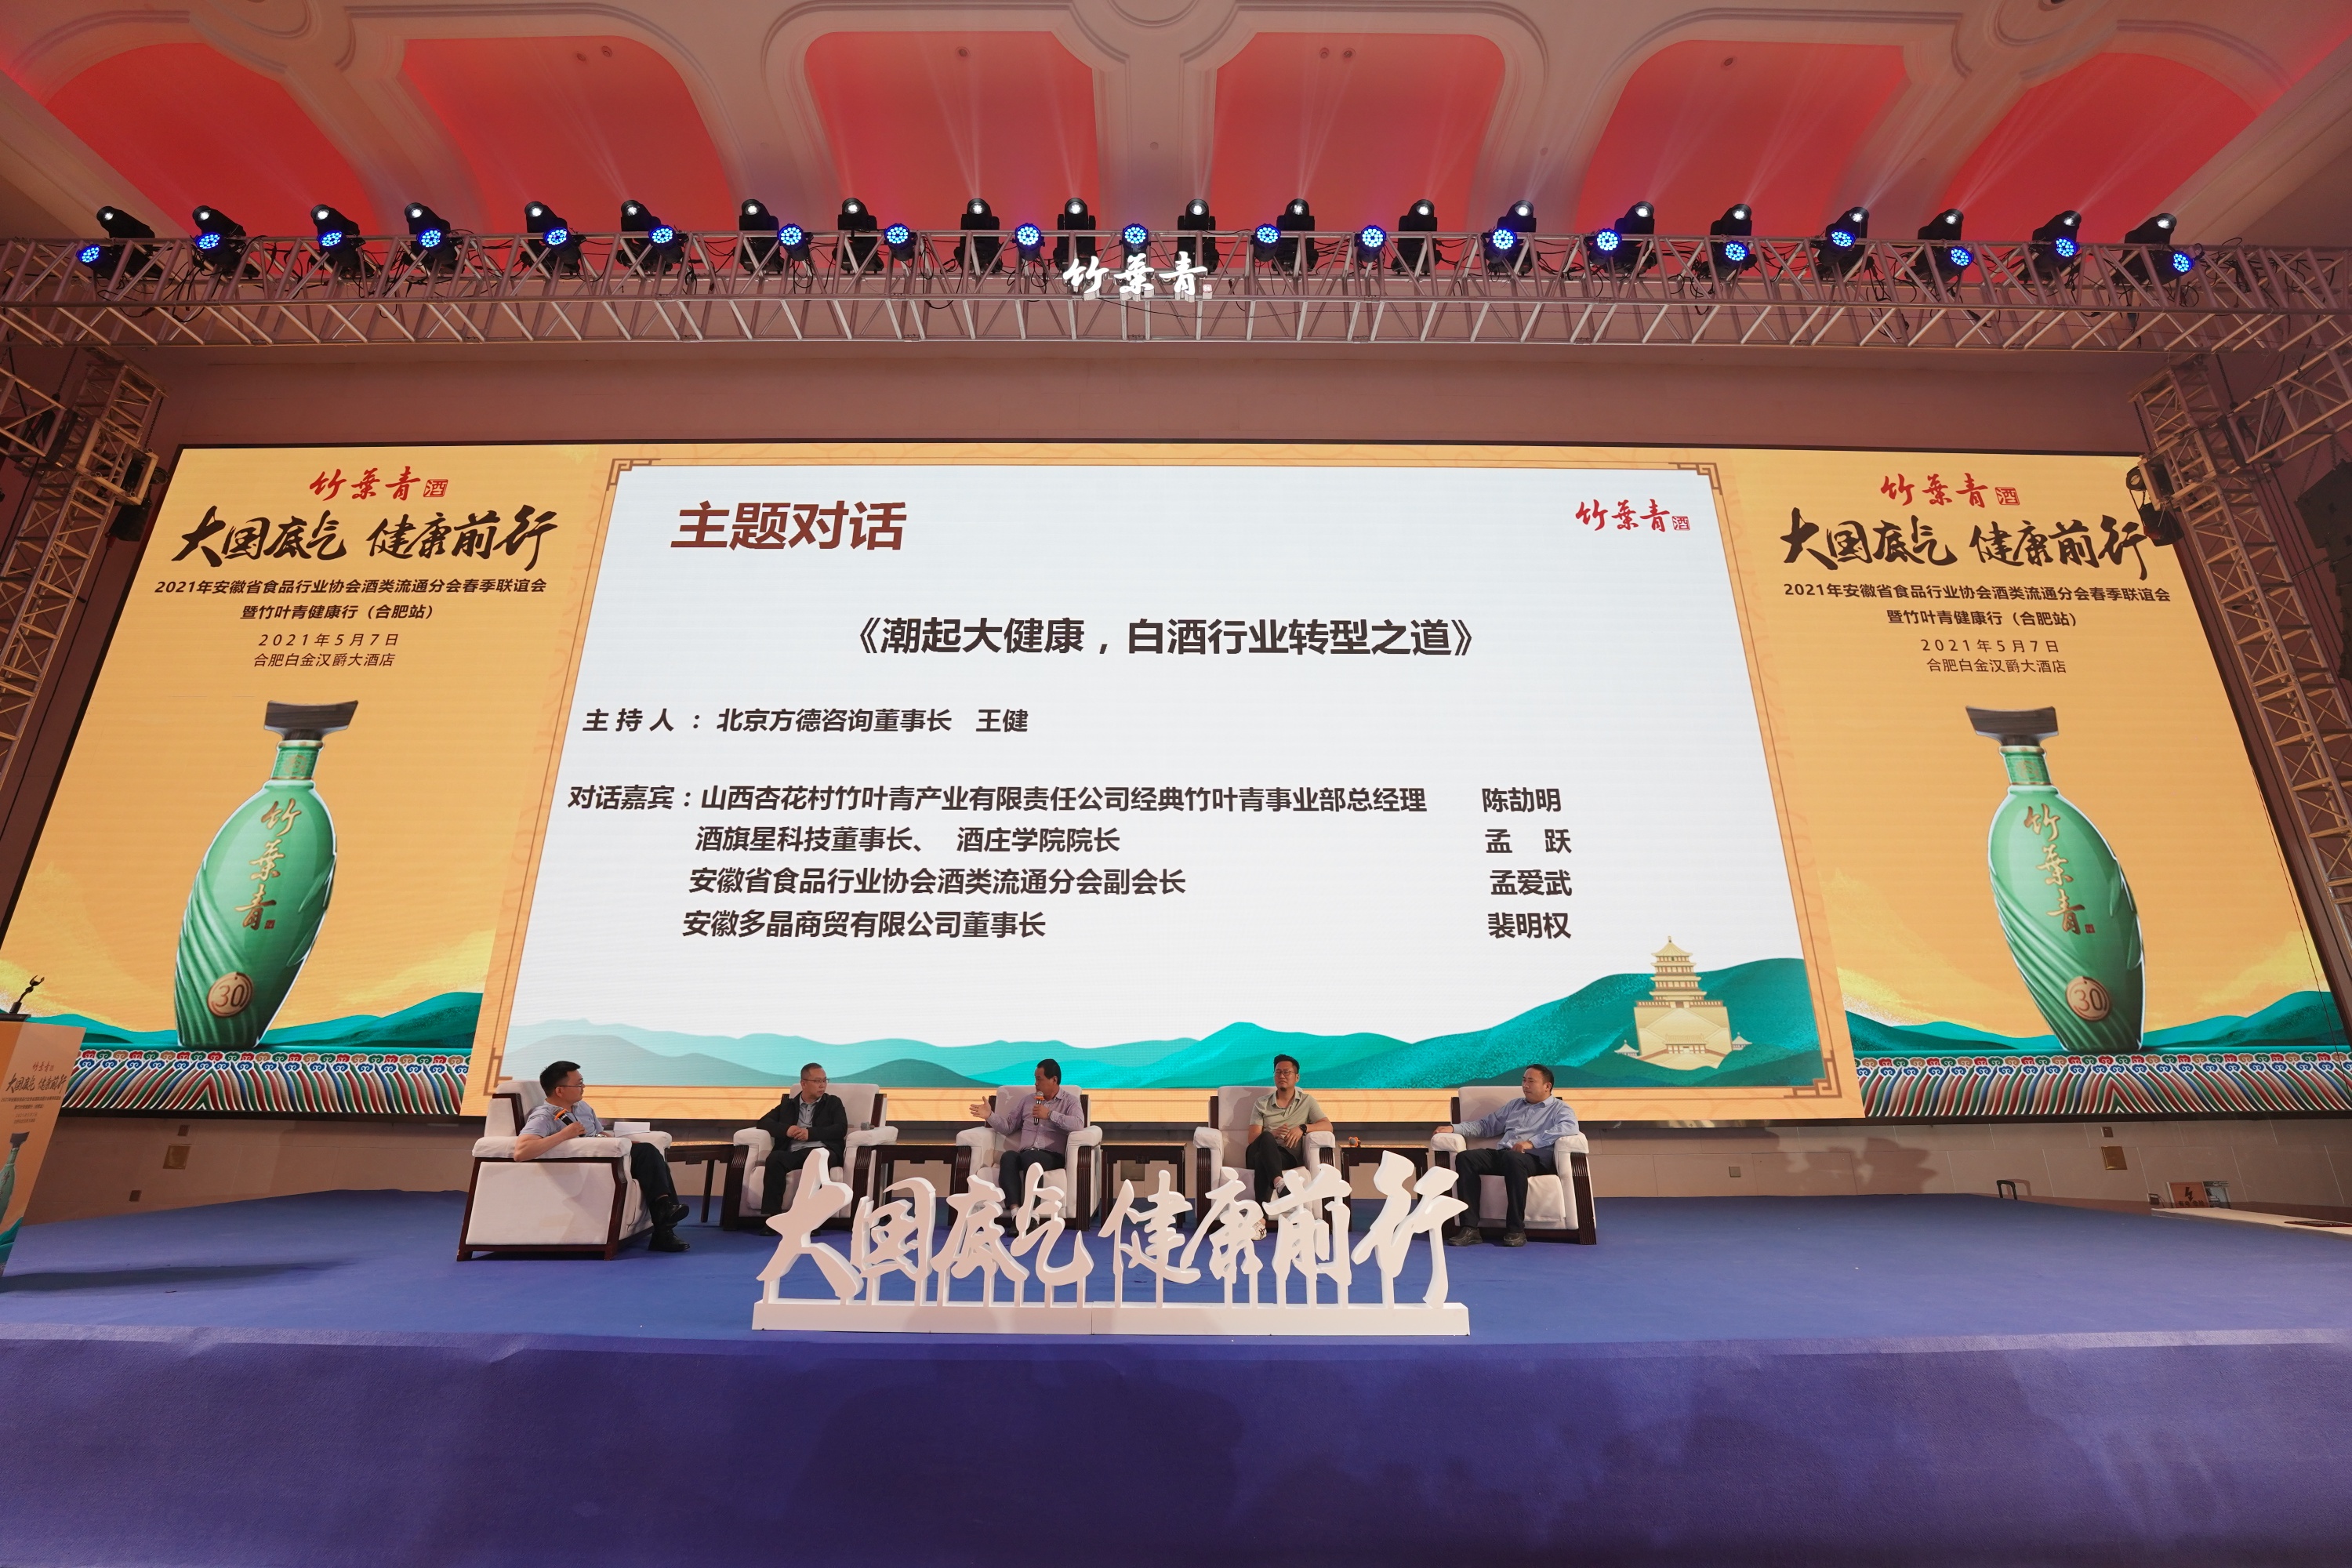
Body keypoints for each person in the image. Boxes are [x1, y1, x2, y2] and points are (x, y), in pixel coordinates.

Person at [515, 1060, 690, 1252]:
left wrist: (623, 1143)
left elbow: (599, 1135)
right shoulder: (543, 1116)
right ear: (560, 1090)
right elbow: (521, 1151)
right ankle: (665, 1220)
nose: (583, 1087)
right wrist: (564, 1135)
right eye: (578, 1084)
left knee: (651, 1155)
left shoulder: (583, 1107)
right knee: (648, 1153)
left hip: (607, 1158)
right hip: (590, 1167)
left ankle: (664, 1218)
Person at [1435, 1065, 1578, 1247]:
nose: (1525, 1085)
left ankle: (1516, 1230)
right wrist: (1454, 1128)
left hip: (1533, 1159)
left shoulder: (1559, 1109)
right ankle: (1470, 1228)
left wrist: (1532, 1142)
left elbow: (1570, 1127)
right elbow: (1486, 1126)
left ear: (1547, 1086)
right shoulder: (1514, 1105)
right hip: (1505, 1154)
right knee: (1466, 1158)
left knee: (1513, 1159)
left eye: (1531, 1081)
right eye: (1524, 1080)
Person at [969, 1059, 1085, 1225]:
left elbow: (1078, 1124)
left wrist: (1050, 1115)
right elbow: (1008, 1126)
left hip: (1051, 1155)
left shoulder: (1070, 1101)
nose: (1035, 1083)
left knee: (1031, 1157)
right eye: (1035, 1078)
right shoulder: (1028, 1100)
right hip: (1025, 1154)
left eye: (1039, 1079)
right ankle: (1016, 1214)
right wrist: (989, 1115)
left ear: (1054, 1080)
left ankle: (1033, 1215)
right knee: (1008, 1157)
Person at [753, 1063, 848, 1218]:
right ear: (803, 1084)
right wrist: (787, 1130)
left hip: (822, 1151)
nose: (823, 1085)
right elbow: (763, 1122)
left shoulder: (833, 1102)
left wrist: (810, 1134)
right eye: (817, 1081)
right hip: (794, 1152)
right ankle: (772, 1217)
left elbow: (840, 1128)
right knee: (775, 1158)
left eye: (825, 1080)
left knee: (816, 1157)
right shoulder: (788, 1105)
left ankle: (811, 1218)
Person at [1246, 1054, 1334, 1204]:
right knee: (1266, 1137)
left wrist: (1303, 1128)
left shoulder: (1307, 1101)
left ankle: (1262, 1215)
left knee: (1263, 1159)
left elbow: (1327, 1126)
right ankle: (1280, 1183)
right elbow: (1252, 1138)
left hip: (1286, 1157)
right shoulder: (1262, 1103)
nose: (1282, 1076)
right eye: (1278, 1072)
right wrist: (1273, 1134)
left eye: (1287, 1072)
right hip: (1255, 1152)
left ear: (1297, 1077)